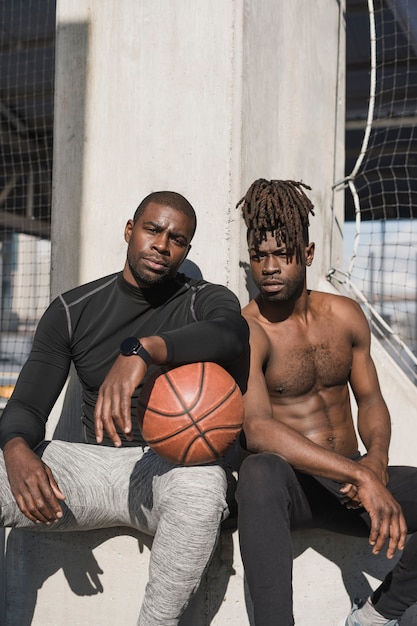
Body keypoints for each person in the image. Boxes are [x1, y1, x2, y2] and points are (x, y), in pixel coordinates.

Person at [0, 190, 249, 626]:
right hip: (90, 466)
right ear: (130, 231)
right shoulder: (73, 310)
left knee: (204, 485)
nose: (162, 245)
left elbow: (232, 335)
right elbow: (26, 403)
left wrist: (145, 350)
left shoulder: (205, 300)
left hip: (166, 469)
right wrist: (16, 448)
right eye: (153, 230)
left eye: (177, 239)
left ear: (186, 250)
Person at [234, 178, 417, 626]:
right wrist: (357, 472)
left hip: (354, 480)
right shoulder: (248, 332)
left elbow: (371, 399)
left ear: (309, 254)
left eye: (283, 254)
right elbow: (257, 429)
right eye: (260, 257)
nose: (270, 268)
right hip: (293, 488)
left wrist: (375, 462)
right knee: (259, 471)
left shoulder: (345, 316)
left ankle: (377, 615)